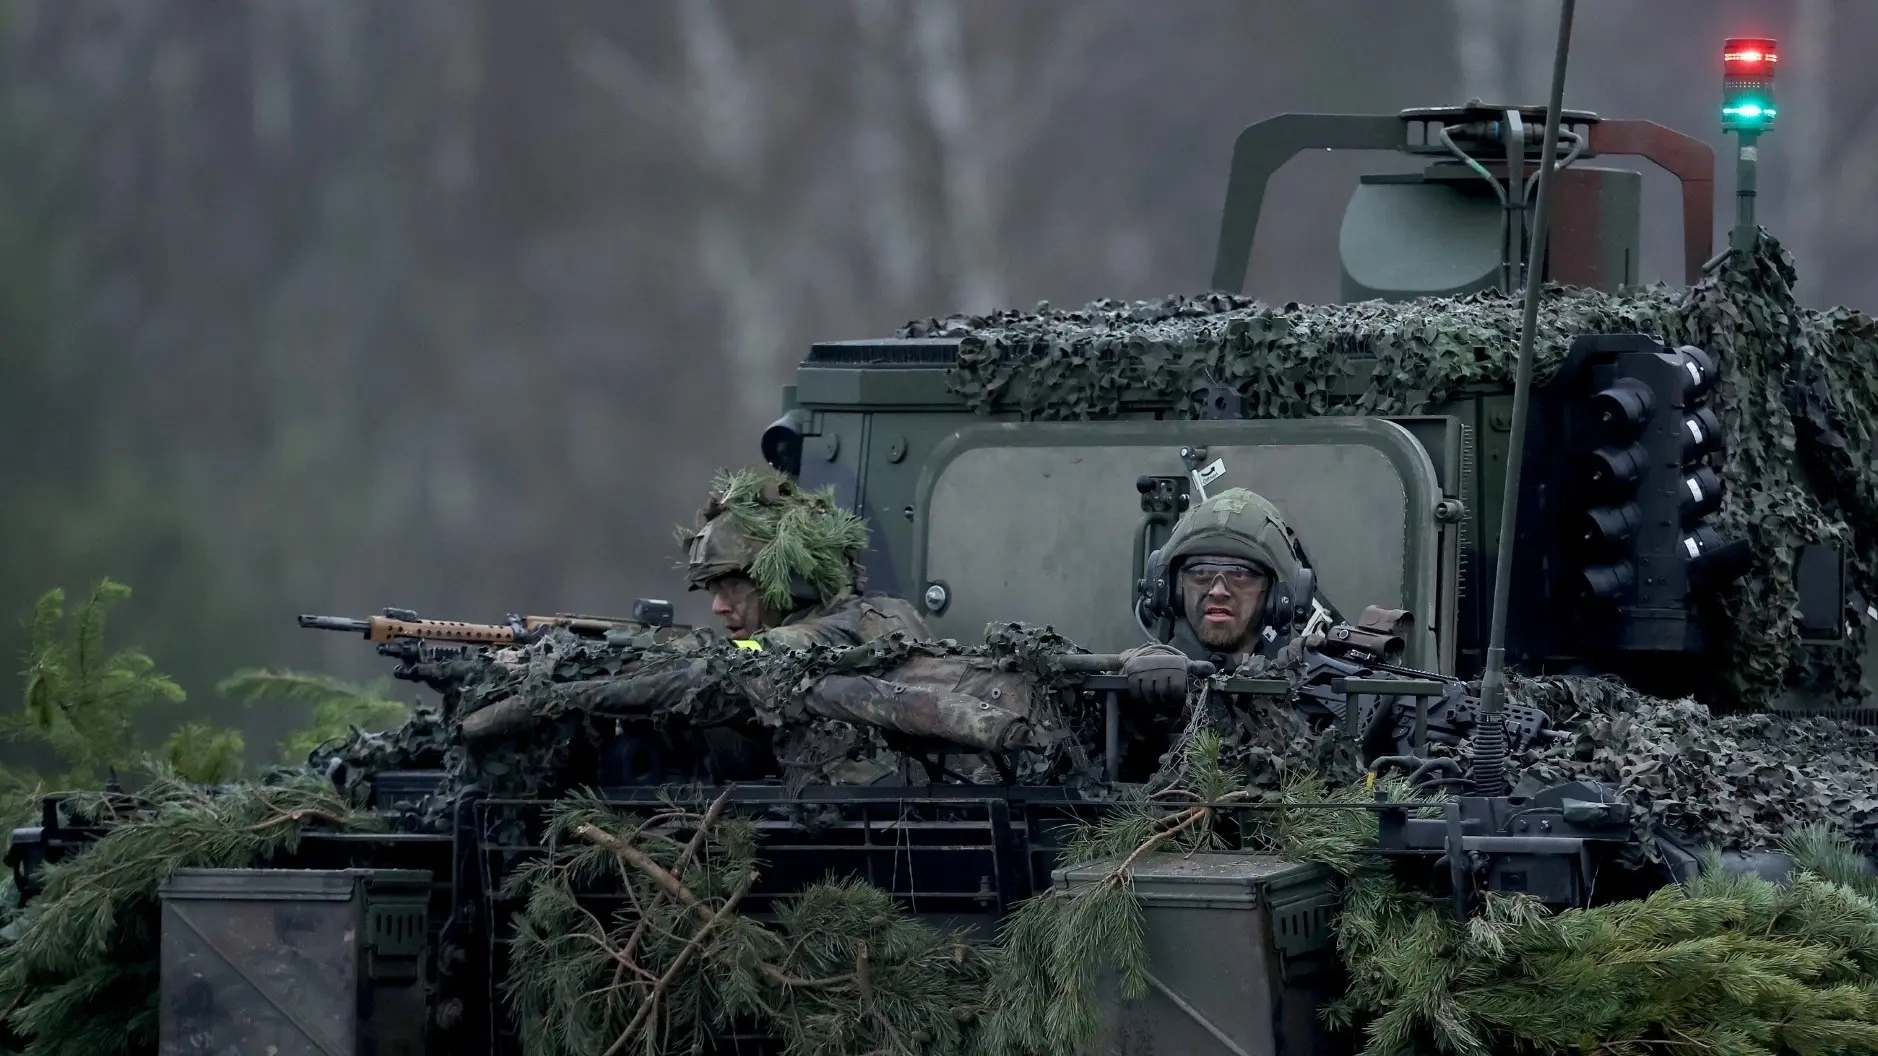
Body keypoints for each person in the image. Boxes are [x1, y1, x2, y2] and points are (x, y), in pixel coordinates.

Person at [664, 465, 932, 649]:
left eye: (732, 586)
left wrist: (666, 656)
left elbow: (751, 654)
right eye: (714, 591)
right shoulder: (885, 612)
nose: (718, 606)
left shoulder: (838, 632)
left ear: (792, 579)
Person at [1119, 487, 1329, 708]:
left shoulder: (1308, 686)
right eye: (1201, 572)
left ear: (1277, 595)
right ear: (1171, 588)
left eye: (1240, 574)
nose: (1218, 591)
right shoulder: (1136, 680)